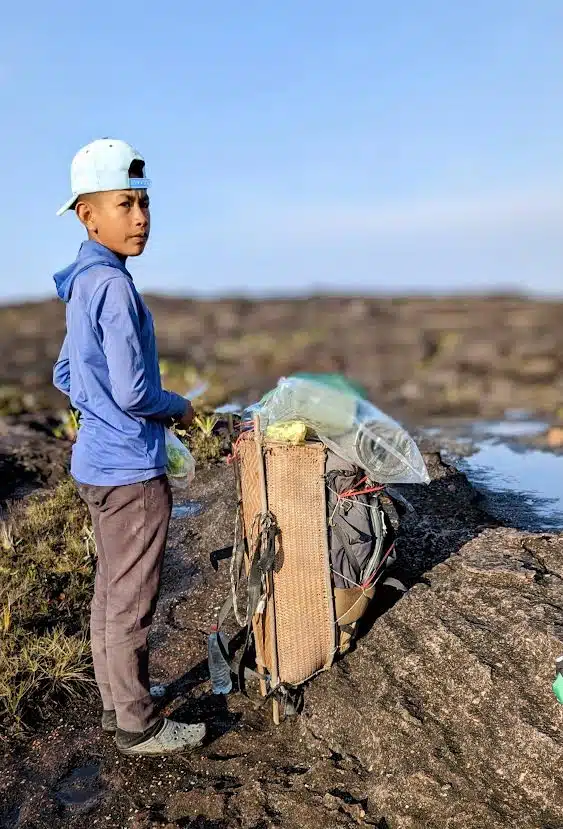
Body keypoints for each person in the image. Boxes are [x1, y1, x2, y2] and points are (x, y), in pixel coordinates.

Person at [52, 138, 206, 756]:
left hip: (94, 462)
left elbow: (67, 374)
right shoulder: (114, 287)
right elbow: (137, 390)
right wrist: (181, 408)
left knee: (110, 589)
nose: (140, 217)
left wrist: (95, 413)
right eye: (124, 204)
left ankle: (120, 695)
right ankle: (138, 723)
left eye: (144, 203)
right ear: (89, 216)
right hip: (129, 472)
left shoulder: (83, 283)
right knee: (132, 598)